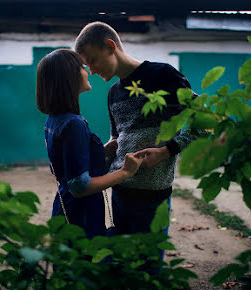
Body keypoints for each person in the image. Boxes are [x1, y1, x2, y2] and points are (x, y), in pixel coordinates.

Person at [74, 22, 195, 255]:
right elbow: (117, 137)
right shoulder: (113, 93)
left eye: (93, 60)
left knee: (149, 274)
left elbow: (203, 123)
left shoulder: (164, 75)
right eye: (87, 65)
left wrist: (165, 151)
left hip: (152, 198)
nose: (91, 70)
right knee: (119, 268)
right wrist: (103, 157)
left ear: (110, 46)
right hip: (118, 194)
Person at [36, 48, 143, 239]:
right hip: (81, 214)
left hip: (65, 206)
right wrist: (126, 172)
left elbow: (68, 161)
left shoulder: (56, 119)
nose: (88, 70)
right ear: (70, 76)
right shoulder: (73, 123)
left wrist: (103, 151)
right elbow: (80, 186)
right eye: (82, 66)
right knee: (85, 262)